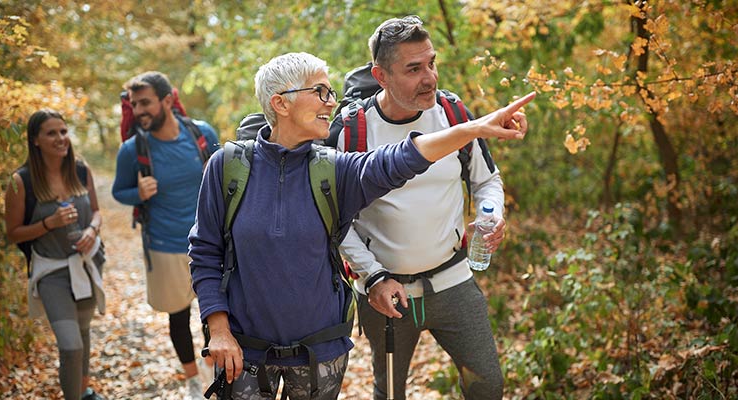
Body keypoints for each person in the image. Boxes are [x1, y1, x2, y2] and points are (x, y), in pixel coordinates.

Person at [188, 51, 532, 400]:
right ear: (281, 103)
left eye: (331, 92)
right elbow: (205, 252)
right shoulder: (228, 167)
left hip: (320, 351)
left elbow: (401, 159)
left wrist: (472, 128)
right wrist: (218, 329)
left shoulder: (334, 170)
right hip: (244, 350)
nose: (331, 102)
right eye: (320, 91)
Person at [327, 16, 507, 399]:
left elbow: (486, 180)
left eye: (431, 63)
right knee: (389, 392)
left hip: (454, 281)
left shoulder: (454, 115)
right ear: (381, 75)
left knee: (488, 385)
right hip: (386, 293)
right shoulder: (352, 131)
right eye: (413, 68)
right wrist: (372, 277)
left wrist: (492, 213)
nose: (430, 77)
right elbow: (334, 220)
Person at [111, 71, 219, 399]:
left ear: (168, 101)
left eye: (145, 102)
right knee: (178, 315)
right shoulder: (132, 150)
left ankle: (215, 375)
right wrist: (138, 193)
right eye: (134, 104)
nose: (139, 110)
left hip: (211, 242)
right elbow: (119, 191)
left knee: (215, 313)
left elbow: (225, 175)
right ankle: (191, 382)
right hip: (165, 244)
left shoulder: (202, 134)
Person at [5, 109, 105, 400]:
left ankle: (83, 391)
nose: (61, 138)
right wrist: (49, 224)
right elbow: (13, 233)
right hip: (51, 273)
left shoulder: (81, 169)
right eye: (51, 133)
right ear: (35, 140)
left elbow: (97, 212)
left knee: (84, 335)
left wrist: (92, 231)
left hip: (85, 266)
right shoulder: (21, 181)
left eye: (63, 131)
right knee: (71, 345)